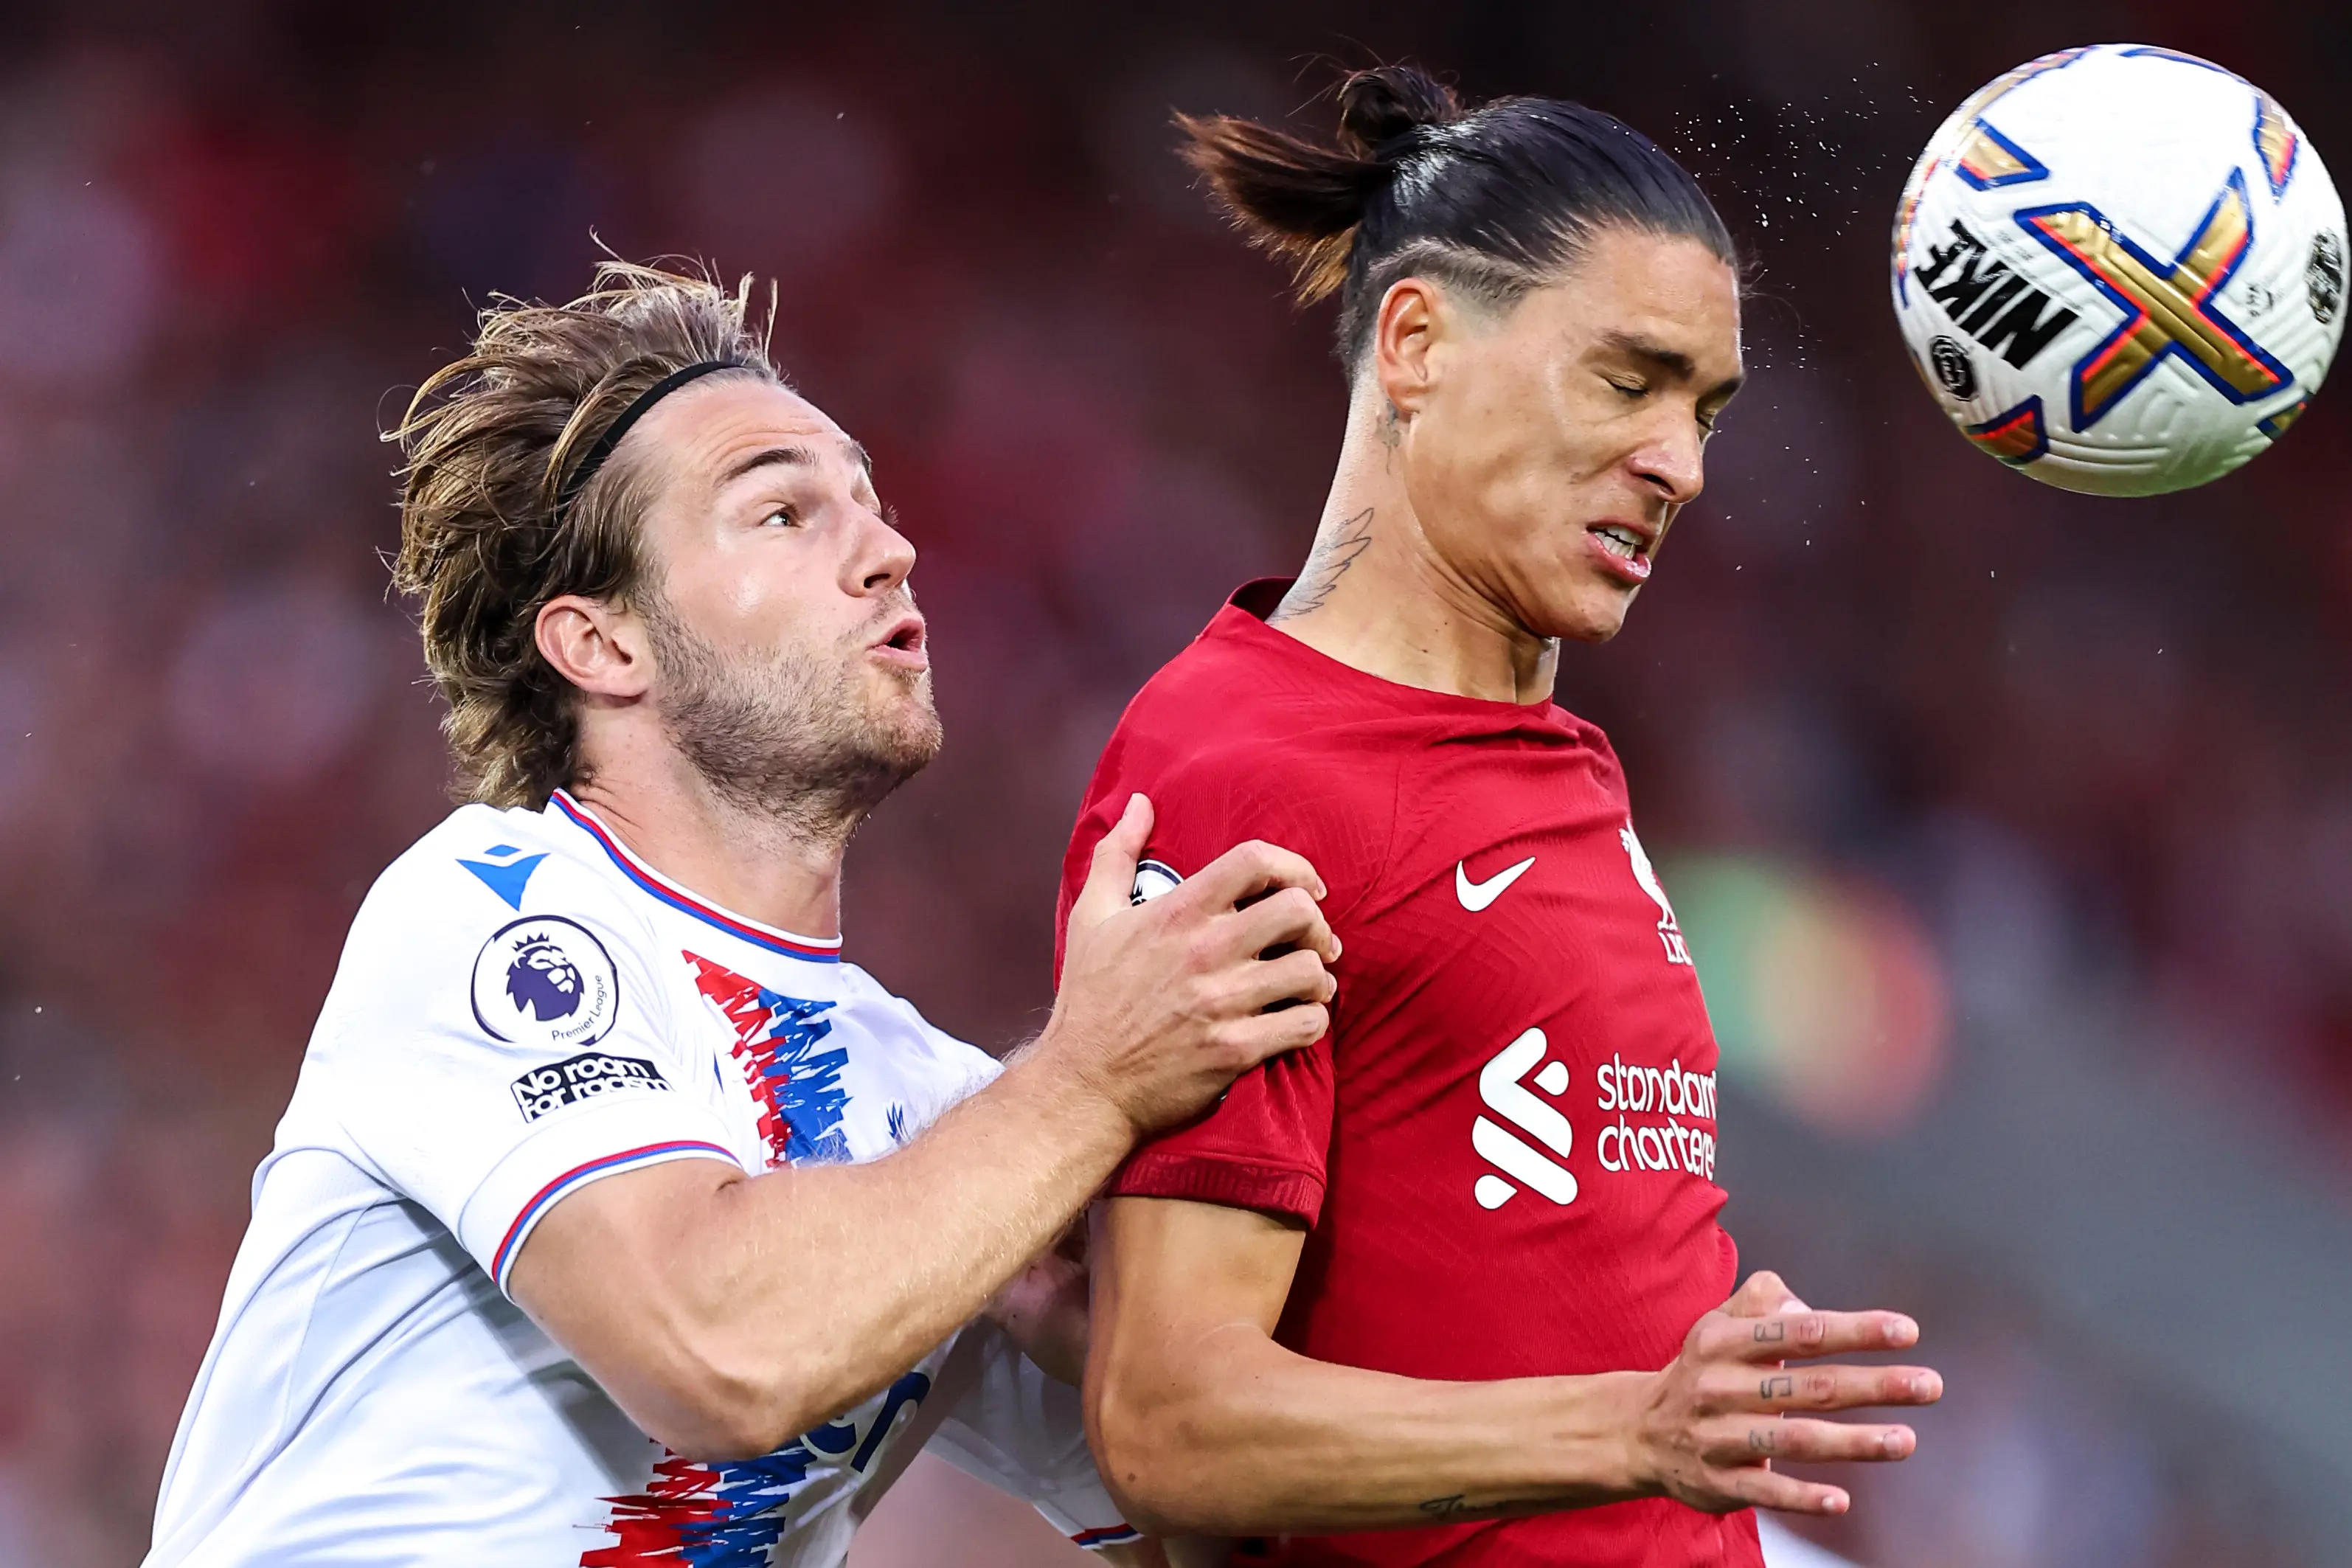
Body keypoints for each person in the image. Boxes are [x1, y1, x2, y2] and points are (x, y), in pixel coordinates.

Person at [143, 263, 1342, 1568]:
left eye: (872, 509)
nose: (889, 550)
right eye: (782, 512)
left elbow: (1213, 1534)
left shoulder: (948, 1123)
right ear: (603, 646)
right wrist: (1093, 1083)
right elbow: (716, 1349)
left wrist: (1130, 1346)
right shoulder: (483, 903)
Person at [1058, 67, 1942, 1567]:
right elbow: (1166, 1417)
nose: (1684, 463)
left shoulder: (1557, 757)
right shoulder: (1243, 767)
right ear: (1415, 342)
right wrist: (1633, 1426)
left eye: (1706, 407)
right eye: (1628, 380)